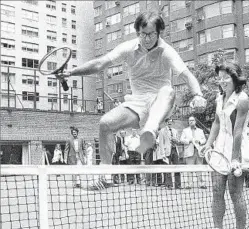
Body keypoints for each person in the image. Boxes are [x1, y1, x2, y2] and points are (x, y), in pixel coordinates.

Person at [56, 11, 206, 172]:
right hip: (137, 104)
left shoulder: (167, 51)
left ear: (159, 32)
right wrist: (71, 72)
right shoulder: (128, 48)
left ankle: (150, 130)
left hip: (161, 104)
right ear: (137, 32)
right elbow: (100, 63)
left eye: (152, 34)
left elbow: (186, 75)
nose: (147, 39)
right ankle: (105, 173)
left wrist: (198, 95)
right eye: (143, 34)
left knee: (168, 91)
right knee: (105, 124)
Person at [199, 62, 249, 229]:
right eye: (219, 77)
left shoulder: (242, 99)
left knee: (235, 192)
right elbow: (216, 123)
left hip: (236, 147)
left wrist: (236, 158)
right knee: (216, 190)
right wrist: (207, 144)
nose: (222, 81)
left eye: (226, 77)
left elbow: (237, 131)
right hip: (219, 148)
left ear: (235, 78)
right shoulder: (219, 98)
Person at [180, 116, 207, 189]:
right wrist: (189, 141)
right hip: (189, 152)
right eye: (189, 121)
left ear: (195, 121)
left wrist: (200, 141)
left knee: (200, 168)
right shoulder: (185, 130)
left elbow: (204, 140)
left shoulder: (200, 131)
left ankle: (202, 184)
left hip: (198, 151)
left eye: (192, 120)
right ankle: (189, 184)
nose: (191, 122)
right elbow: (181, 139)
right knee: (189, 168)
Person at [159, 118, 181, 189]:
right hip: (167, 152)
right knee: (168, 168)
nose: (169, 123)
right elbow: (161, 143)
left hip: (174, 150)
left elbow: (178, 141)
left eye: (171, 122)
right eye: (168, 122)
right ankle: (169, 185)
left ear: (172, 123)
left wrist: (176, 141)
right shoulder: (162, 131)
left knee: (177, 168)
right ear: (166, 123)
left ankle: (178, 185)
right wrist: (162, 154)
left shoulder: (175, 131)